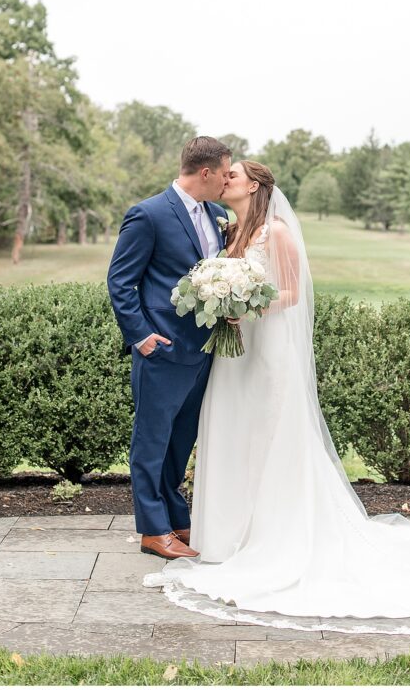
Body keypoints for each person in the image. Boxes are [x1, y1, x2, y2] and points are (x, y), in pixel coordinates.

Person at [143, 160, 410, 635]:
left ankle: (275, 536)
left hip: (268, 349)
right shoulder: (232, 229)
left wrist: (244, 304)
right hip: (235, 353)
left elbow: (293, 293)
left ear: (254, 185)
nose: (226, 180)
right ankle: (228, 533)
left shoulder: (276, 232)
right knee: (234, 434)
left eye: (233, 174)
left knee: (270, 436)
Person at [107, 136, 231, 561]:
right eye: (225, 173)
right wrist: (141, 336)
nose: (228, 181)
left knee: (180, 442)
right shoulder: (149, 214)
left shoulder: (218, 215)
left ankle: (177, 520)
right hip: (160, 349)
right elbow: (121, 281)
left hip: (204, 350)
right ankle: (152, 530)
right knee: (151, 441)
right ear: (205, 172)